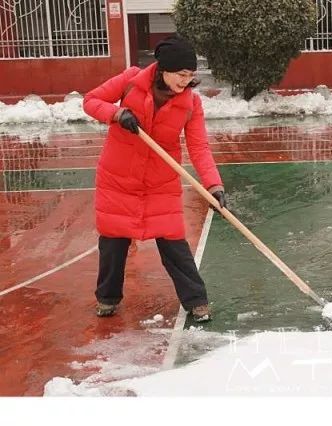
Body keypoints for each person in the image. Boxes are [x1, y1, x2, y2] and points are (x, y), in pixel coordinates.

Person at [83, 36, 226, 322]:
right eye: (181, 74)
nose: (186, 81)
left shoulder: (190, 105)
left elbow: (199, 147)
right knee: (113, 241)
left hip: (160, 182)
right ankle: (107, 297)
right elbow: (91, 101)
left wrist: (214, 185)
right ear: (163, 69)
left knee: (174, 241)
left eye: (190, 76)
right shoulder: (131, 81)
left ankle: (197, 301)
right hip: (119, 178)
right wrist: (117, 113)